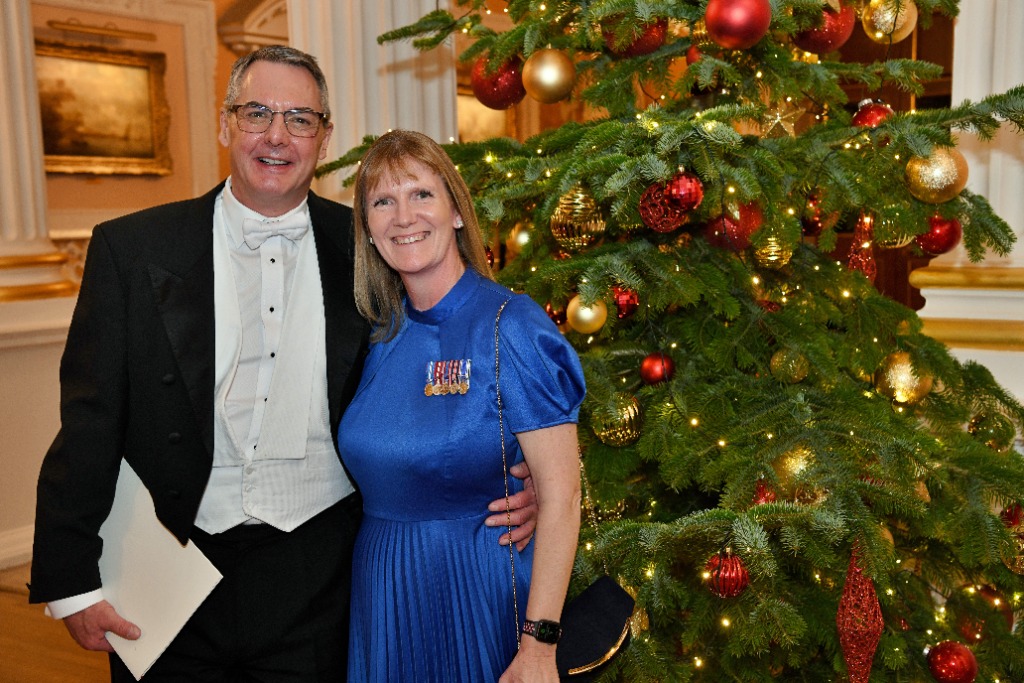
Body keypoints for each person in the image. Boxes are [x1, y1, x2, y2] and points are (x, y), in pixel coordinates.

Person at [29, 46, 537, 682]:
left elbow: (444, 366)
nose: (276, 136)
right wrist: (71, 578)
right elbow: (90, 419)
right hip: (169, 566)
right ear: (225, 125)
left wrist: (510, 481)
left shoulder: (376, 246)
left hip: (321, 575)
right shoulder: (131, 248)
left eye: (299, 119)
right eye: (257, 113)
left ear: (324, 138)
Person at [338, 129, 585, 682]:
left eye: (421, 194)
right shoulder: (379, 334)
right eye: (383, 202)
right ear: (369, 230)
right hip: (384, 599)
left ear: (455, 211)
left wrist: (540, 646)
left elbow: (563, 496)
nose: (404, 217)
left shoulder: (510, 326)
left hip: (478, 593)